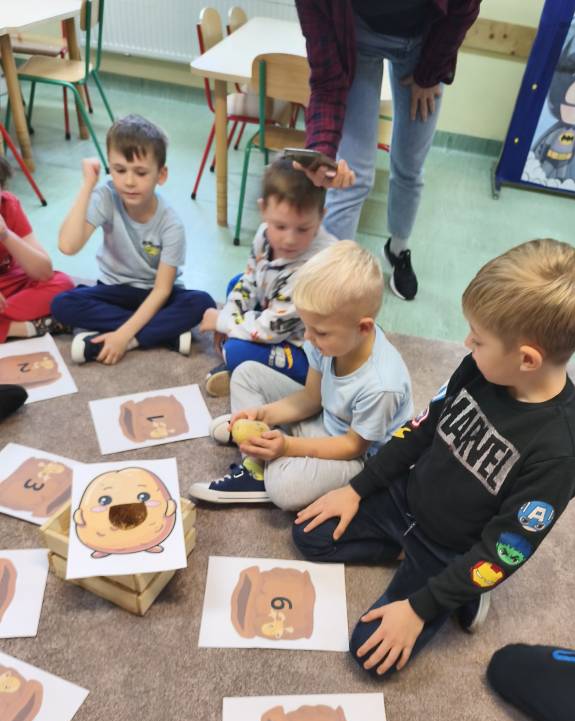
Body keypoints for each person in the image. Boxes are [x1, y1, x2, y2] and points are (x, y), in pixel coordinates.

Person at [293, 239, 575, 676]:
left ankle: (465, 590)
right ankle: (403, 553)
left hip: (452, 551)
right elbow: (420, 430)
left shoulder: (562, 455)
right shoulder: (479, 367)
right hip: (407, 501)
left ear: (527, 359)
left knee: (370, 654)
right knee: (309, 535)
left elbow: (505, 549)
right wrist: (357, 489)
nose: (466, 342)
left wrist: (422, 606)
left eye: (478, 338)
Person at [189, 241, 413, 511]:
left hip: (356, 455)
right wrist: (262, 415)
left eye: (320, 332)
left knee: (286, 488)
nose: (308, 337)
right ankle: (263, 452)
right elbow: (310, 399)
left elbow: (353, 446)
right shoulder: (328, 340)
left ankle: (264, 464)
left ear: (363, 328)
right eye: (307, 327)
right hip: (322, 418)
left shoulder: (382, 385)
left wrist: (288, 447)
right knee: (246, 373)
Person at [295, 0, 480, 300]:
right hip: (356, 38)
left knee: (410, 165)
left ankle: (398, 249)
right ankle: (331, 281)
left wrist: (429, 74)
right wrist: (321, 151)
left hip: (424, 41)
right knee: (349, 176)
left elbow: (462, 10)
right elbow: (327, 81)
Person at [52, 114, 215, 365]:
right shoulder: (106, 197)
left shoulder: (171, 224)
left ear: (161, 175)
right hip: (113, 290)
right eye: (119, 170)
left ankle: (132, 339)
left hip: (155, 295)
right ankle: (165, 334)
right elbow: (68, 245)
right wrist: (88, 186)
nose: (128, 181)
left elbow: (162, 290)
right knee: (62, 304)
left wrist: (124, 337)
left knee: (202, 303)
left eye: (140, 172)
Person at [199, 157, 335, 398]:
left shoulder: (311, 269)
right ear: (263, 210)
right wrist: (230, 314)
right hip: (280, 315)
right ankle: (243, 366)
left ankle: (249, 373)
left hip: (307, 354)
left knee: (236, 349)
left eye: (303, 229)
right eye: (280, 226)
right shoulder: (264, 234)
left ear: (321, 217)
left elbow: (271, 330)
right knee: (236, 283)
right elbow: (250, 279)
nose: (289, 239)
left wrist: (223, 322)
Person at [0, 154, 74, 342]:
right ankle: (26, 328)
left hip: (11, 283)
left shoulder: (8, 205)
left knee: (62, 284)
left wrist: (5, 234)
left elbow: (44, 272)